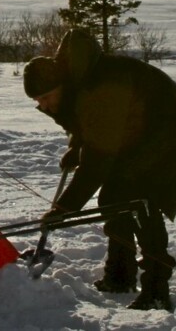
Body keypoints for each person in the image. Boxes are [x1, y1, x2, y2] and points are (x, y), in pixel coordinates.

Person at [23, 28, 176, 311]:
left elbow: (97, 164)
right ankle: (121, 275)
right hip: (140, 134)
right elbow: (90, 124)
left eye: (46, 97)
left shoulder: (99, 85)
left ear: (61, 86)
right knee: (113, 199)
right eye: (38, 102)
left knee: (138, 201)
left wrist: (63, 210)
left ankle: (156, 288)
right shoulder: (80, 83)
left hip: (164, 139)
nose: (43, 106)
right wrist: (76, 146)